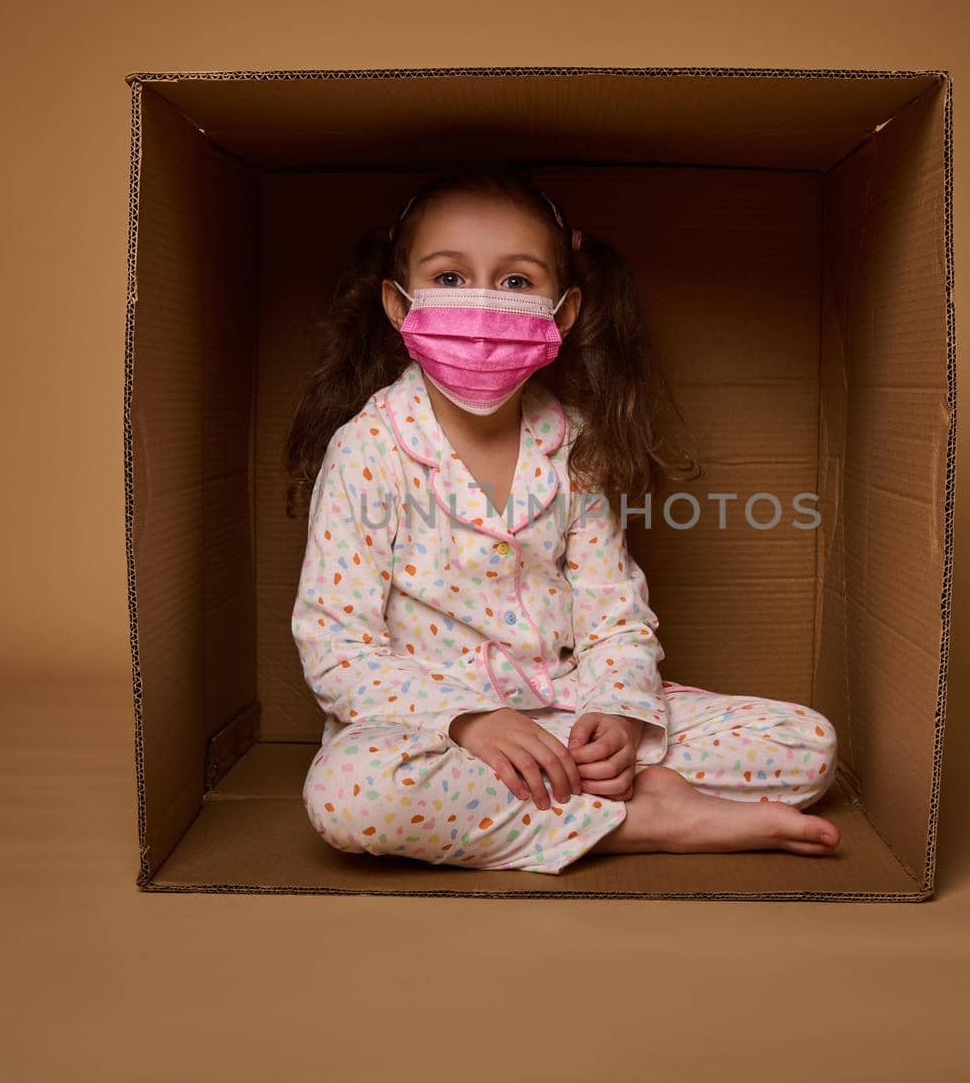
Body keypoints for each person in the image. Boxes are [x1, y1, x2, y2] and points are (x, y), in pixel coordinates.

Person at [286, 166, 842, 874]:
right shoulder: (368, 448)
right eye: (451, 277)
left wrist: (615, 715)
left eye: (516, 281)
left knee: (807, 744)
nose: (483, 300)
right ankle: (643, 820)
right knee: (350, 797)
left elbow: (615, 612)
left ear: (565, 311)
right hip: (429, 732)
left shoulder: (575, 443)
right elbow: (335, 640)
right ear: (398, 306)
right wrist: (471, 720)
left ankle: (589, 792)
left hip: (566, 716)